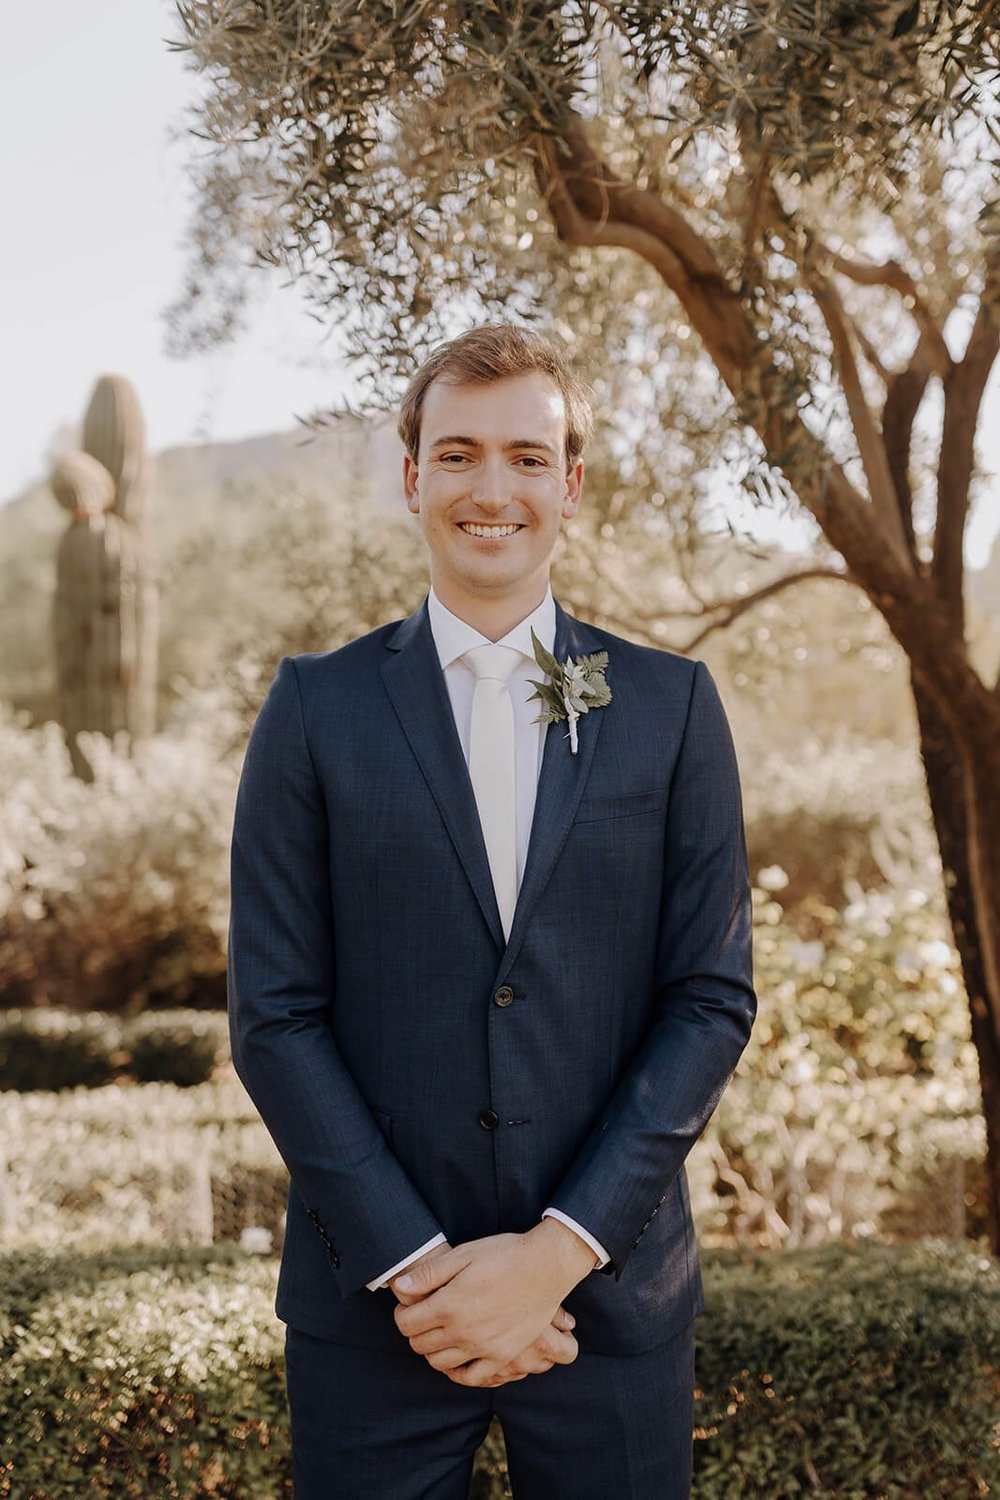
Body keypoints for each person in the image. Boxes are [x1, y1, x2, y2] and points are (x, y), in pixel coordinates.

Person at [227, 323, 757, 1499]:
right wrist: (422, 1271)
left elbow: (710, 999)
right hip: (377, 1310)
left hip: (607, 1306)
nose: (492, 488)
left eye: (527, 457)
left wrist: (554, 1254)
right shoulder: (314, 710)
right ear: (414, 479)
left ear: (568, 485)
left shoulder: (670, 708)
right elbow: (275, 1014)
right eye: (458, 453)